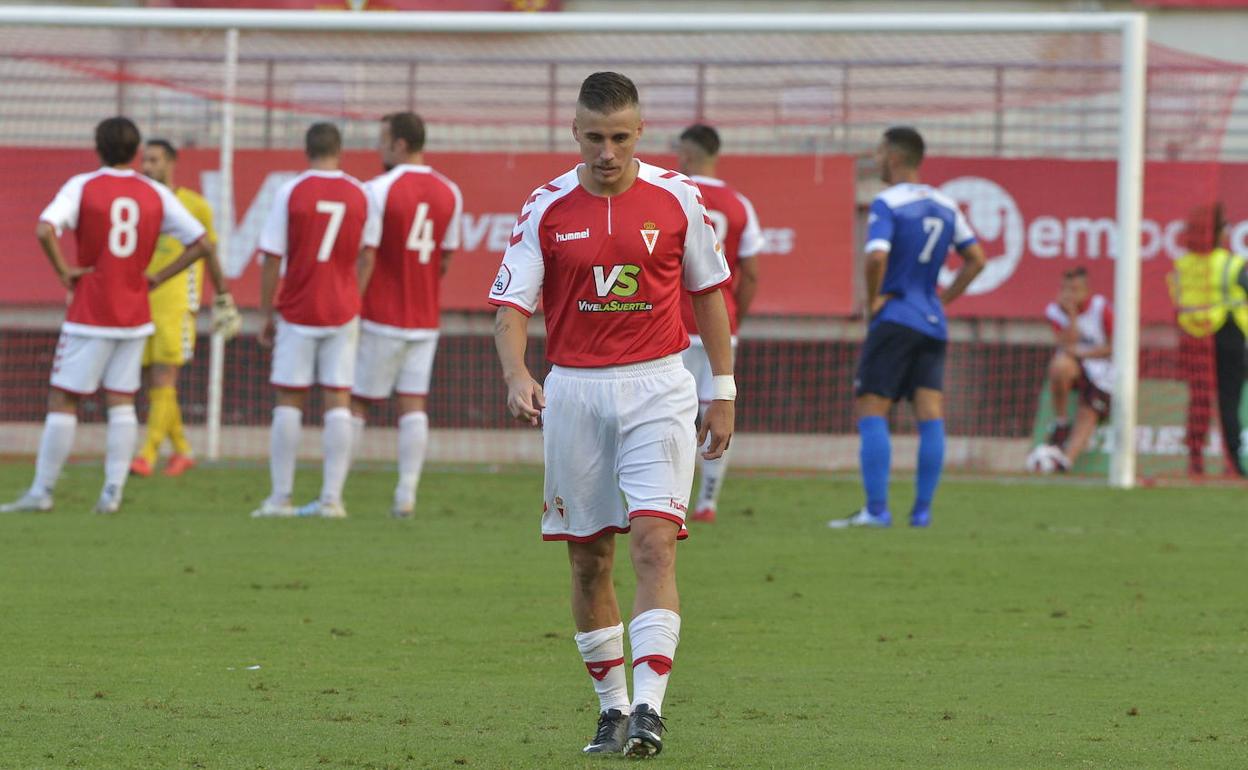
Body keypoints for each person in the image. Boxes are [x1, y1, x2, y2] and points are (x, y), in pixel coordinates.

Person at [488, 72, 734, 758]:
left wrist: (725, 389)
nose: (607, 151)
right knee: (589, 562)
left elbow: (710, 294)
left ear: (640, 133)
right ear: (575, 133)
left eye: (620, 137)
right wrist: (517, 373)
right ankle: (611, 709)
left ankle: (650, 710)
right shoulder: (545, 206)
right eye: (595, 137)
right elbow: (510, 308)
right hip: (575, 392)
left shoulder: (679, 198)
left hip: (660, 386)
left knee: (654, 543)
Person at [1, 116, 212, 514]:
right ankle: (112, 492)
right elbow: (201, 244)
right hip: (134, 314)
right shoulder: (155, 193)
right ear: (136, 153)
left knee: (64, 398)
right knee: (122, 401)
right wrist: (157, 277)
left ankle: (42, 491)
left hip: (91, 312)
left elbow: (45, 230)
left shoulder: (82, 186)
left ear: (97, 147)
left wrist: (64, 272)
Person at [829, 126, 986, 529]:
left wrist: (874, 300)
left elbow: (876, 257)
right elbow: (977, 259)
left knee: (872, 407)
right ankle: (921, 513)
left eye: (880, 153)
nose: (877, 160)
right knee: (930, 411)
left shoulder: (888, 202)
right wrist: (942, 301)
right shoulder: (946, 204)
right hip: (932, 322)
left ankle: (877, 510)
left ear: (895, 157)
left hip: (896, 316)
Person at [249, 122, 379, 519]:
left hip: (298, 308)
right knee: (338, 398)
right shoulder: (361, 193)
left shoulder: (291, 191)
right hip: (342, 310)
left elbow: (272, 256)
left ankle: (281, 498)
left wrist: (266, 311)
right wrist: (352, 295)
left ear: (306, 150)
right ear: (339, 150)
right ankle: (331, 500)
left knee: (290, 398)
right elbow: (368, 253)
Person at [350, 112, 462, 517]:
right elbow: (445, 257)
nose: (377, 148)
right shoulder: (450, 190)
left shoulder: (376, 190)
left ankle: (333, 492)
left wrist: (353, 306)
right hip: (425, 317)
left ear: (399, 144)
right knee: (413, 404)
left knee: (357, 403)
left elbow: (367, 254)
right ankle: (406, 495)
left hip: (380, 315)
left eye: (382, 140)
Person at [130, 138, 240, 479]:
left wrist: (223, 295)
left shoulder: (195, 205)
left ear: (172, 163)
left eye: (155, 160)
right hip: (140, 302)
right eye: (144, 160)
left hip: (177, 303)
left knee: (165, 376)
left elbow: (209, 251)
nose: (148, 167)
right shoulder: (135, 203)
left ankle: (146, 455)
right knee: (154, 383)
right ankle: (182, 450)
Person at [674, 123, 763, 524]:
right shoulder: (739, 203)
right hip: (719, 324)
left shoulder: (672, 192)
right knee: (718, 409)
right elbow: (753, 272)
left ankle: (668, 497)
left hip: (672, 322)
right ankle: (708, 501)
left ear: (687, 154)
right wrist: (734, 317)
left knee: (670, 412)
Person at [1169, 202, 1248, 478]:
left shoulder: (1183, 264)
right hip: (1227, 335)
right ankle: (1232, 462)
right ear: (1218, 232)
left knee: (1199, 400)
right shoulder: (1230, 263)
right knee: (1229, 400)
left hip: (1194, 339)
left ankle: (1195, 459)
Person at [1039, 267, 1113, 471]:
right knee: (1060, 365)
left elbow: (1116, 348)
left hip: (1104, 372)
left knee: (1089, 410)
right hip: (1078, 369)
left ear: (1086, 290)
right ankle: (1061, 422)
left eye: (1075, 289)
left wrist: (1083, 354)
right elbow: (1066, 344)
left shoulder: (1102, 308)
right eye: (1066, 289)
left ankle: (1065, 461)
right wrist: (1071, 315)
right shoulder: (1054, 311)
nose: (1070, 294)